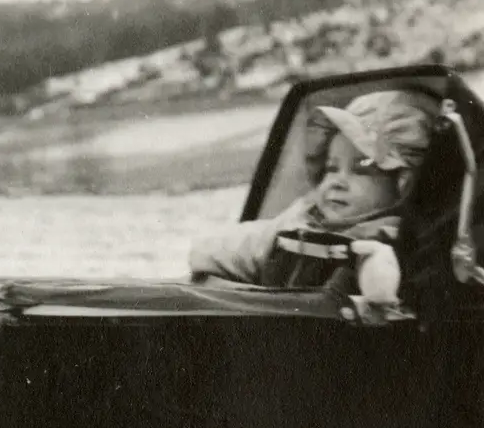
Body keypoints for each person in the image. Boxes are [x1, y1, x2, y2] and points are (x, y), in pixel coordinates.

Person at [188, 89, 441, 304]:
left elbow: (386, 286)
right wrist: (207, 254)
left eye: (362, 168)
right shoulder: (304, 217)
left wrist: (377, 276)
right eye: (331, 168)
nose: (337, 181)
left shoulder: (396, 238)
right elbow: (238, 246)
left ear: (403, 181)